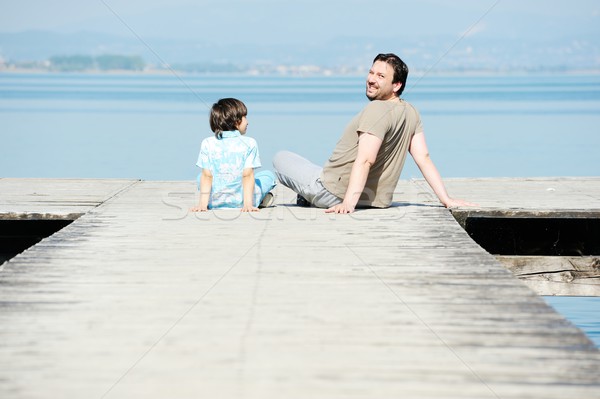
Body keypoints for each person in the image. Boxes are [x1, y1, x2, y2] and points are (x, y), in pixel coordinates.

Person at [273, 53, 474, 213]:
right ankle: (310, 194)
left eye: (381, 76)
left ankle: (310, 196)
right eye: (371, 73)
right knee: (314, 168)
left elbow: (366, 160)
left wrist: (348, 204)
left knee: (281, 158)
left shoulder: (376, 109)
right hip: (378, 201)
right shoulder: (411, 112)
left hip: (334, 193)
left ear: (397, 85)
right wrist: (446, 199)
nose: (371, 80)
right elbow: (424, 158)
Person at [190, 98, 276, 212]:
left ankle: (207, 202)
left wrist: (202, 205)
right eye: (245, 117)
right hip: (242, 202)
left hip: (214, 202)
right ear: (236, 121)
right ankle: (258, 200)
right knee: (268, 176)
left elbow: (207, 176)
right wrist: (248, 205)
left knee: (200, 177)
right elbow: (247, 175)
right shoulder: (249, 143)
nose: (247, 122)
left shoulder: (207, 143)